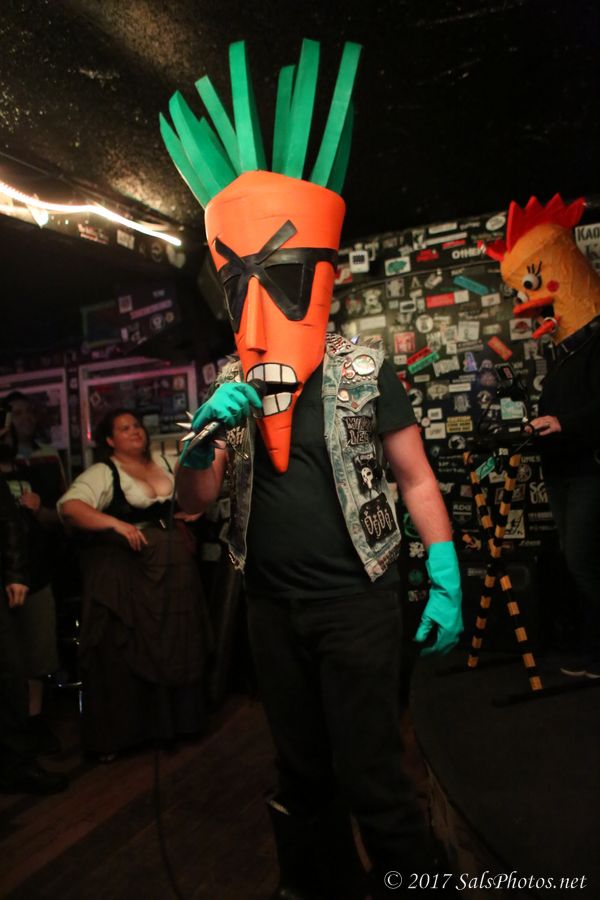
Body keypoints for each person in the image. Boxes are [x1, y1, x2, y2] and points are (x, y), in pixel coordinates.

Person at [161, 40, 463, 899]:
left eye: (281, 279)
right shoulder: (229, 383)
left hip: (355, 600)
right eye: (240, 286)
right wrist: (197, 450)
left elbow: (415, 477)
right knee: (300, 773)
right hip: (270, 606)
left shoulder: (366, 370)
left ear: (319, 279)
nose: (259, 305)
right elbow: (194, 504)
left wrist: (445, 569)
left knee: (372, 772)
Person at [484, 195, 600, 680]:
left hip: (590, 471)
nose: (524, 303)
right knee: (577, 561)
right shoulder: (562, 353)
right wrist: (539, 426)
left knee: (585, 561)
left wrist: (564, 424)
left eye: (528, 286)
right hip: (564, 471)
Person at [57, 409, 212, 760]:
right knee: (139, 648)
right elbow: (70, 508)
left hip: (175, 572)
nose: (135, 432)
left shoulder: (165, 461)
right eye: (124, 428)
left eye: (137, 425)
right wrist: (116, 524)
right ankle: (138, 731)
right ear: (109, 440)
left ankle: (180, 724)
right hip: (136, 578)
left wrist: (196, 507)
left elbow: (199, 490)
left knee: (178, 641)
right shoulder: (104, 472)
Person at [0, 443, 68, 793]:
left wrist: (15, 573)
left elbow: (8, 521)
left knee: (12, 672)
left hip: (17, 580)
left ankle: (18, 764)